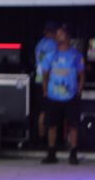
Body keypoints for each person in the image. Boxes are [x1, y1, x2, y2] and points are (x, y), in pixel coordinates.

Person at [39, 23, 84, 165]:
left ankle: (73, 153)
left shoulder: (75, 55)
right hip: (53, 95)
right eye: (57, 34)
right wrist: (45, 90)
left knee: (73, 125)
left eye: (61, 34)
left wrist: (80, 90)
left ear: (68, 36)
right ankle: (51, 153)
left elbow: (82, 74)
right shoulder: (50, 55)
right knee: (52, 125)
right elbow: (45, 74)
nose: (58, 37)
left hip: (70, 95)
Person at [34, 21, 58, 140]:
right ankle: (45, 139)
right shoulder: (53, 44)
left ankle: (40, 137)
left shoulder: (39, 44)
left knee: (42, 111)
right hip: (47, 81)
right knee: (47, 112)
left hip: (38, 80)